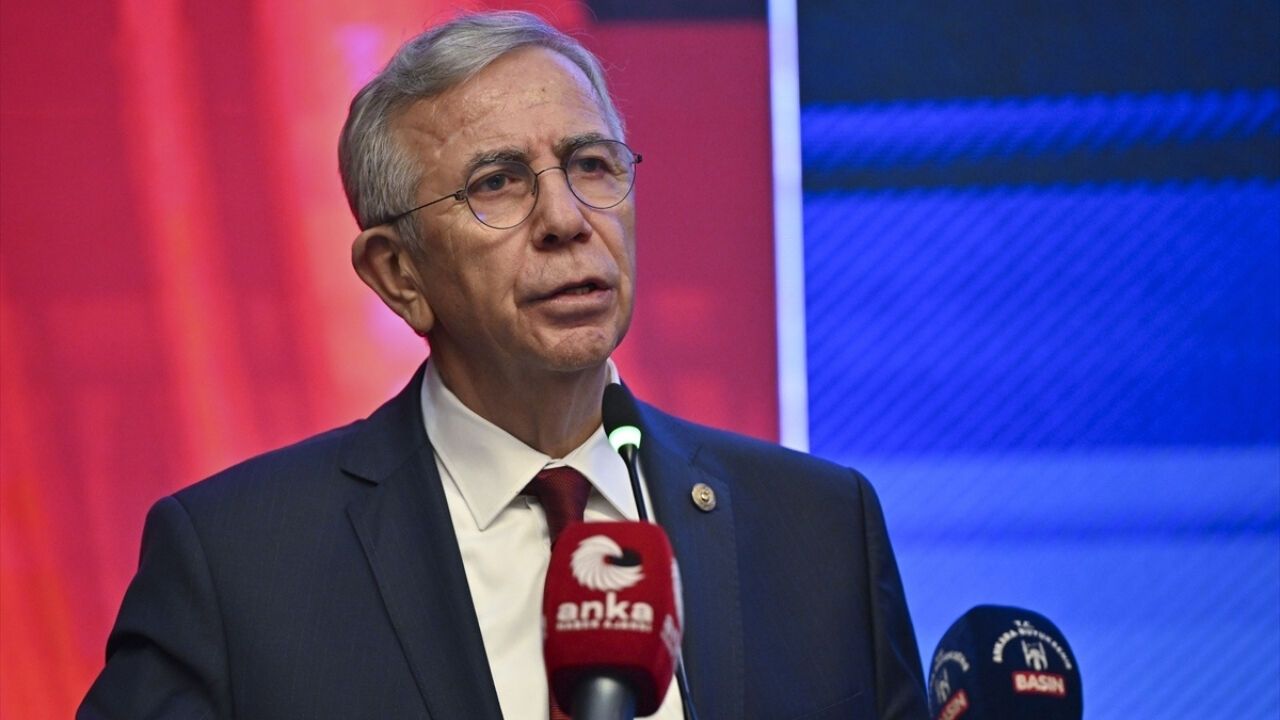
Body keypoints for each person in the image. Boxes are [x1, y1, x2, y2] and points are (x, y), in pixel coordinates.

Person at [80, 11, 928, 720]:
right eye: (497, 183)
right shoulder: (238, 567)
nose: (566, 218)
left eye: (591, 164)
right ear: (398, 274)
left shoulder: (818, 531)